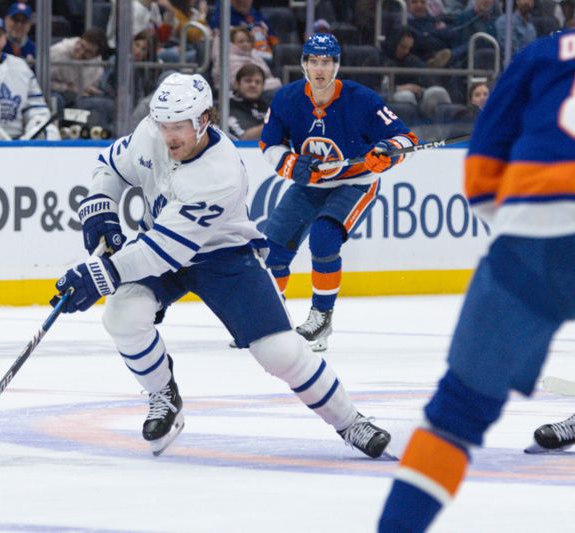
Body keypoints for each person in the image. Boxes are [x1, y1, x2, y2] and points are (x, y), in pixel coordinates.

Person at [49, 72, 393, 460]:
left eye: (178, 127)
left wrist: (101, 275)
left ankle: (350, 421)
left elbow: (164, 251)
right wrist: (100, 207)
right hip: (159, 244)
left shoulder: (220, 173)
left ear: (204, 119)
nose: (168, 137)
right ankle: (164, 396)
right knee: (123, 316)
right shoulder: (151, 133)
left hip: (224, 257)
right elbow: (111, 166)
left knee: (279, 352)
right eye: (163, 125)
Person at [378, 28, 575, 532]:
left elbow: (482, 175)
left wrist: (519, 235)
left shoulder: (541, 52)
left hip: (532, 232)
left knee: (456, 415)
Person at [259, 33, 418, 352]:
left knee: (324, 237)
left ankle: (321, 319)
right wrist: (290, 164)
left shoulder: (363, 100)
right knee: (272, 252)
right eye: (314, 61)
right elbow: (269, 143)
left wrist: (387, 151)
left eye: (327, 62)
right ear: (303, 64)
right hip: (310, 186)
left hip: (354, 183)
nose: (320, 69)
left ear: (337, 65)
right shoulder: (287, 100)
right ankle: (268, 324)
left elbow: (407, 139)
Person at [226, 63, 269, 141]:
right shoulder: (227, 106)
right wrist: (274, 124)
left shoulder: (267, 106)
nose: (253, 85)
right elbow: (243, 137)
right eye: (248, 81)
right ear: (237, 84)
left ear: (263, 86)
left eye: (257, 82)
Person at [3, 2, 36, 67]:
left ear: (30, 24)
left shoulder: (35, 50)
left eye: (24, 21)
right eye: (15, 20)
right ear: (6, 20)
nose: (19, 25)